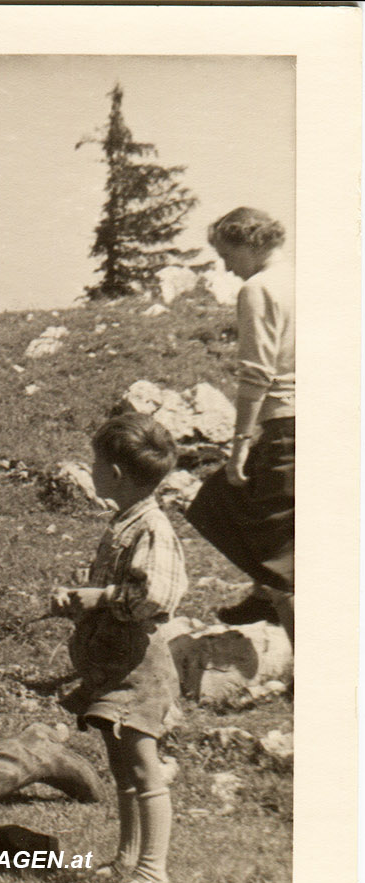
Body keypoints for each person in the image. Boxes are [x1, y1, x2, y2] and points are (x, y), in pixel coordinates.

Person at [51, 412, 186, 883]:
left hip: (138, 667)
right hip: (111, 663)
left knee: (143, 764)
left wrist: (102, 598)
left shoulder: (152, 528)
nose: (90, 467)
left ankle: (153, 871)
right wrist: (78, 604)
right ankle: (126, 858)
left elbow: (156, 597)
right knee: (121, 764)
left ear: (116, 474)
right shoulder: (124, 521)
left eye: (94, 461)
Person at [184, 207, 295, 644]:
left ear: (250, 242)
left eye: (227, 254)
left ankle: (310, 670)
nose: (226, 267)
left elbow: (256, 376)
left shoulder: (258, 289)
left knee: (272, 550)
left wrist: (240, 446)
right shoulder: (309, 279)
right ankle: (263, 593)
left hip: (282, 426)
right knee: (283, 535)